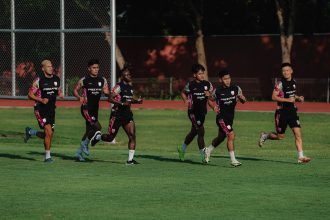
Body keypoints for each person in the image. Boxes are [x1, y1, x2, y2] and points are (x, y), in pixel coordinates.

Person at [258, 63, 311, 164]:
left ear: (291, 71)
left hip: (292, 112)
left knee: (298, 134)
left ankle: (301, 157)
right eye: (283, 71)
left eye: (287, 70)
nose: (285, 72)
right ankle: (265, 136)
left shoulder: (294, 82)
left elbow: (292, 94)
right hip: (281, 113)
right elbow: (273, 97)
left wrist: (298, 97)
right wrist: (287, 100)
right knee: (280, 136)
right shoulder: (280, 84)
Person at [94, 64, 143, 165]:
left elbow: (129, 100)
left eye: (130, 74)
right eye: (127, 75)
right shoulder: (118, 87)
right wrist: (121, 103)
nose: (129, 76)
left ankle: (130, 160)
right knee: (110, 138)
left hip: (127, 115)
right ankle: (98, 137)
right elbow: (110, 98)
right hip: (117, 114)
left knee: (132, 136)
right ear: (122, 76)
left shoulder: (130, 87)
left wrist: (137, 101)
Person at [24, 60, 63, 163]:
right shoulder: (39, 80)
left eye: (51, 66)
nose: (51, 68)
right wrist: (41, 100)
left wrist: (60, 94)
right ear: (43, 68)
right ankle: (47, 157)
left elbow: (57, 90)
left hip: (51, 110)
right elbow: (30, 95)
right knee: (48, 132)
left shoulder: (56, 79)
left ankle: (31, 132)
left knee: (49, 135)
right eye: (48, 66)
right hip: (40, 109)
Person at [205, 69, 246, 167]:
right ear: (220, 80)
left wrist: (242, 98)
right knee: (231, 135)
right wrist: (213, 107)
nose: (228, 80)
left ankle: (208, 150)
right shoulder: (218, 91)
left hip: (230, 118)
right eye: (225, 79)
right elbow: (210, 100)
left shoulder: (236, 88)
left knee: (221, 137)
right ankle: (233, 160)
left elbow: (243, 100)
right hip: (221, 118)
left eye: (229, 78)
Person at [73, 59, 109, 162]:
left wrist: (111, 94)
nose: (96, 69)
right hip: (86, 108)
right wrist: (79, 97)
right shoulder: (84, 80)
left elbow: (106, 91)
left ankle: (79, 153)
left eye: (97, 67)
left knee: (89, 130)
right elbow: (75, 90)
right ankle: (86, 145)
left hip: (95, 110)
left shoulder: (102, 80)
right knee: (98, 127)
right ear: (89, 69)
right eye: (94, 68)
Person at [177, 64, 213, 163]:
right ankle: (204, 156)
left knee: (194, 132)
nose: (202, 75)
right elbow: (183, 92)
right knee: (201, 131)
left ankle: (182, 149)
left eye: (203, 73)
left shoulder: (208, 84)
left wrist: (209, 96)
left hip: (202, 113)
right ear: (194, 75)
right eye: (200, 74)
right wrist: (186, 100)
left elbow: (211, 98)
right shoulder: (191, 85)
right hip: (193, 112)